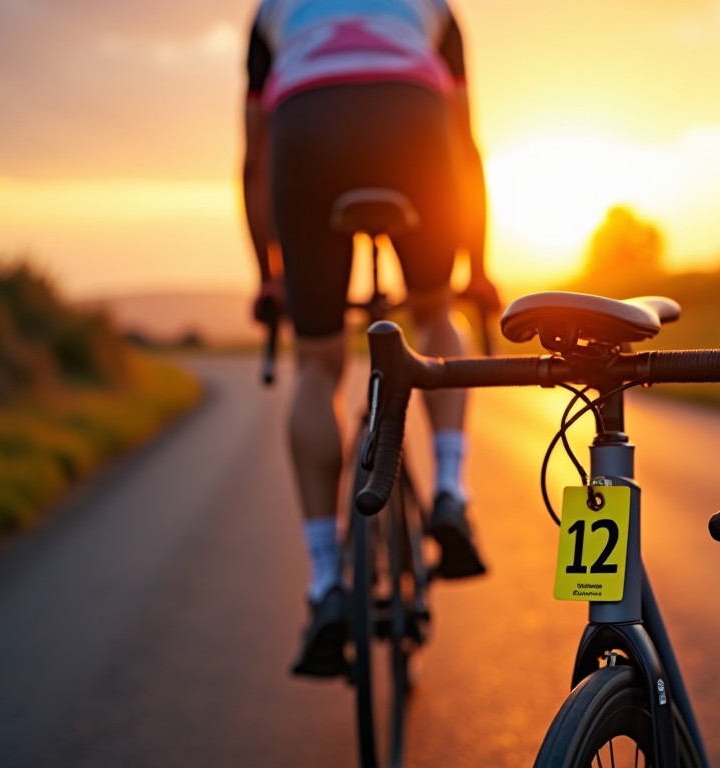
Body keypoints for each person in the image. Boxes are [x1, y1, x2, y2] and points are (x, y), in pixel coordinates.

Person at [241, 0, 501, 678]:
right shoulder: (435, 9)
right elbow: (465, 146)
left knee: (319, 366)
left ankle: (326, 584)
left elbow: (255, 161)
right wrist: (477, 266)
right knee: (436, 315)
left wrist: (268, 275)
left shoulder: (273, 11)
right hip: (409, 117)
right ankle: (450, 491)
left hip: (307, 127)